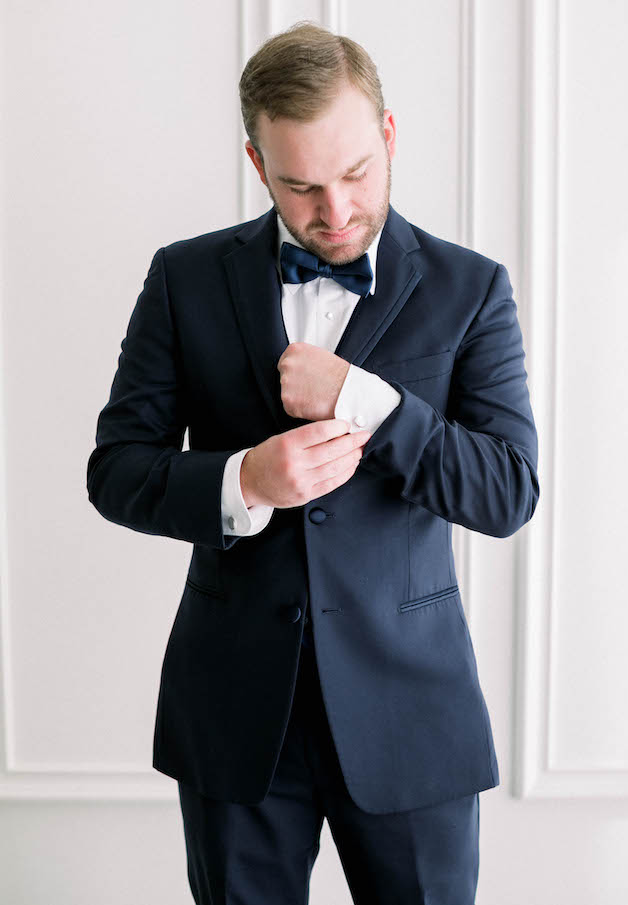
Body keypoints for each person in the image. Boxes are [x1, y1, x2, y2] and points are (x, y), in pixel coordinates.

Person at [87, 20, 539, 905]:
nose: (334, 211)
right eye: (301, 187)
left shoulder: (470, 287)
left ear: (390, 136)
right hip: (235, 717)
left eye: (356, 174)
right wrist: (243, 481)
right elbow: (117, 469)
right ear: (258, 165)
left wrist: (364, 402)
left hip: (413, 714)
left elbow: (506, 489)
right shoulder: (184, 278)